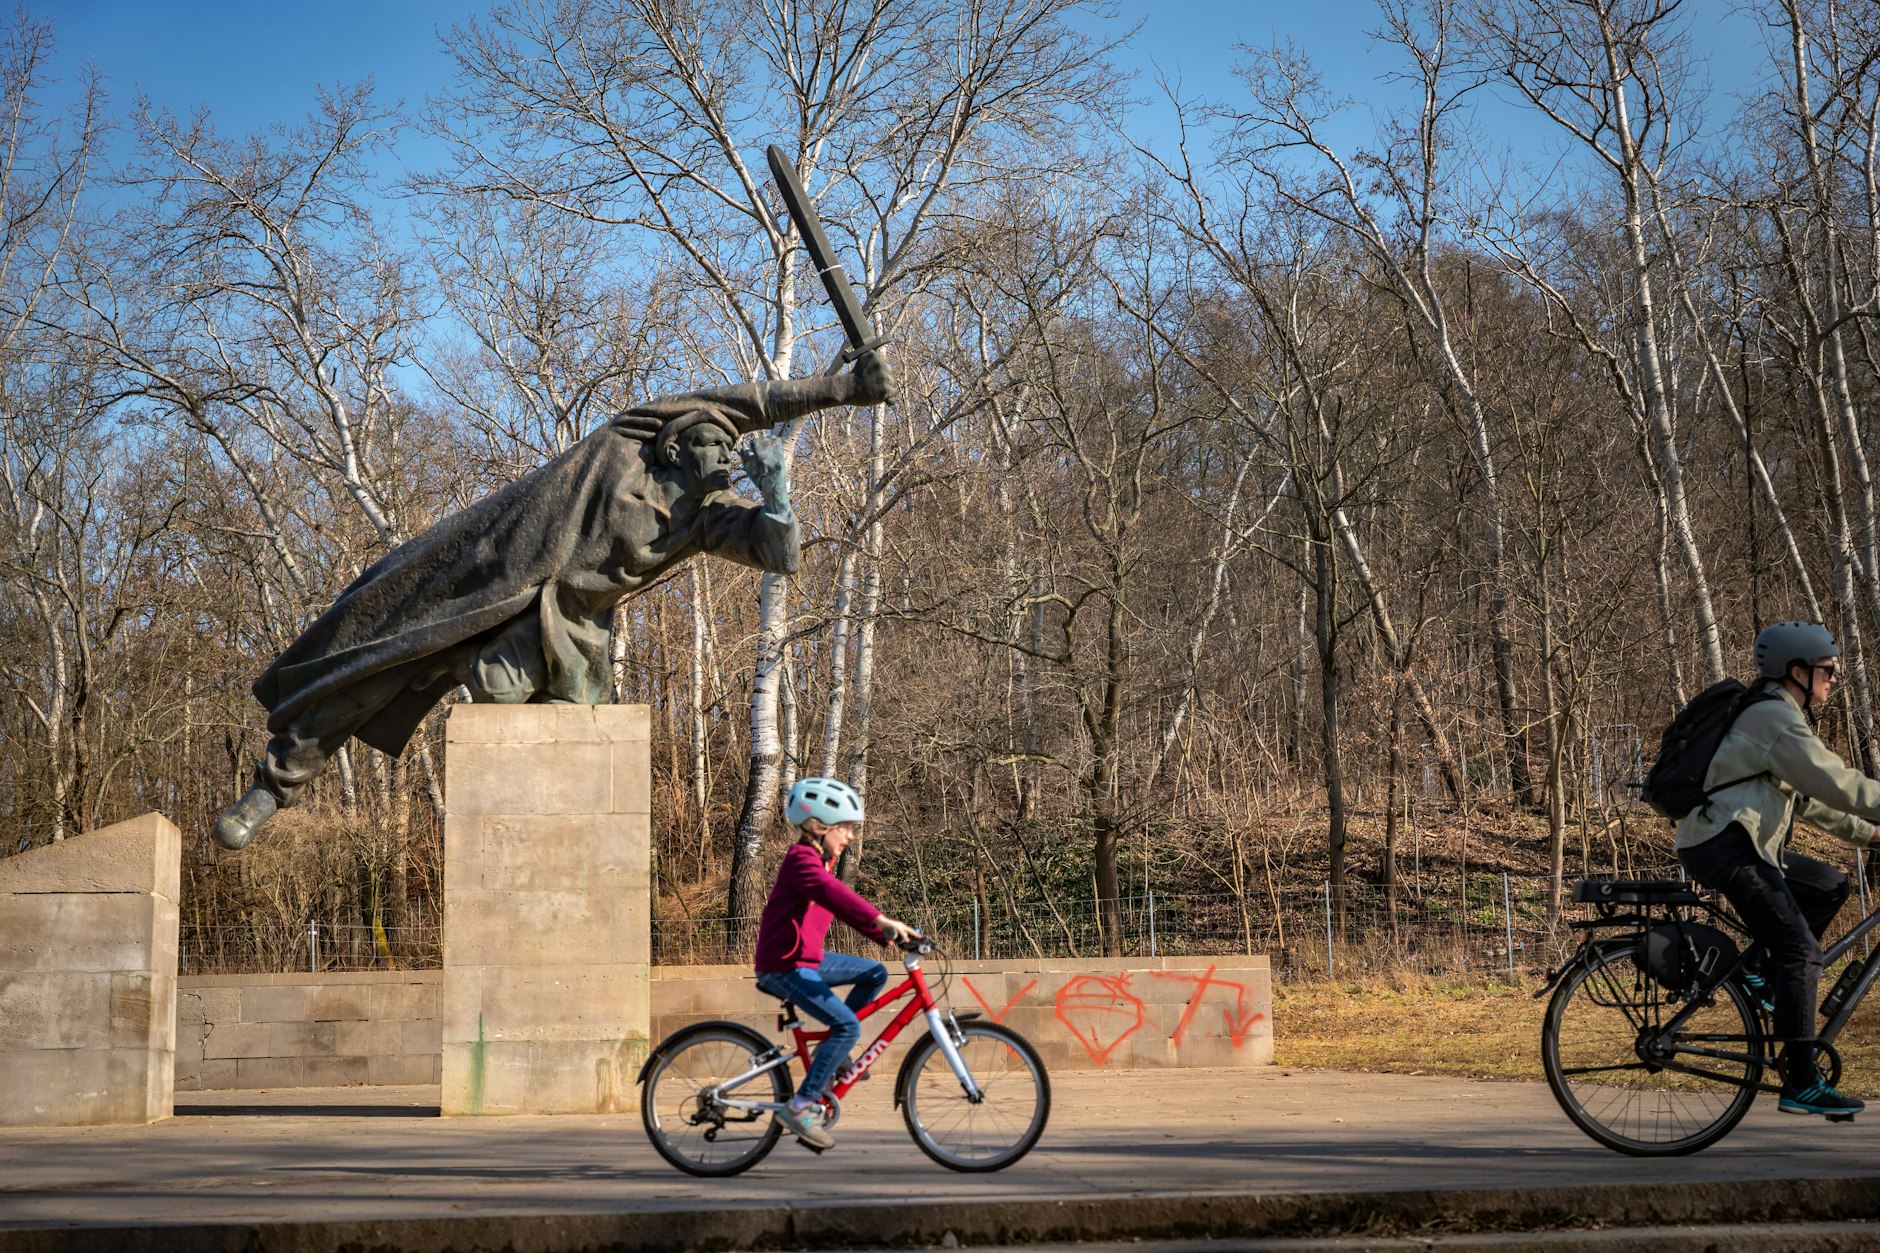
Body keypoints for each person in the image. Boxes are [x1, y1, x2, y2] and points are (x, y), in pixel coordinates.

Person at [212, 354, 895, 850]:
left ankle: (529, 866)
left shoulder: (706, 519)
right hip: (492, 578)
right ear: (676, 444)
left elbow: (784, 554)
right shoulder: (625, 443)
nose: (724, 451)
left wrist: (777, 493)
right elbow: (754, 399)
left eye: (730, 445)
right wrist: (840, 389)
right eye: (711, 441)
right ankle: (276, 784)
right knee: (375, 658)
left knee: (516, 720)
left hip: (565, 637)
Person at [1676, 621, 1880, 1118]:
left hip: (1739, 843)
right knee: (1802, 953)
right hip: (1728, 846)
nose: (1833, 679)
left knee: (1829, 884)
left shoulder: (1777, 718)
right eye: (1827, 670)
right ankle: (1802, 1082)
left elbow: (1809, 800)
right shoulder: (1773, 718)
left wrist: (1873, 834)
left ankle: (1756, 974)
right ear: (1797, 671)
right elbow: (1834, 780)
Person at [752, 777, 916, 1150]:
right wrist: (880, 919)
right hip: (785, 965)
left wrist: (887, 934)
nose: (850, 836)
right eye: (846, 827)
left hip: (807, 960)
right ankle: (802, 1104)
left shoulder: (821, 862)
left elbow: (840, 906)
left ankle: (835, 1052)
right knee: (847, 1028)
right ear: (820, 825)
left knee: (874, 972)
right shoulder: (801, 861)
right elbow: (835, 897)